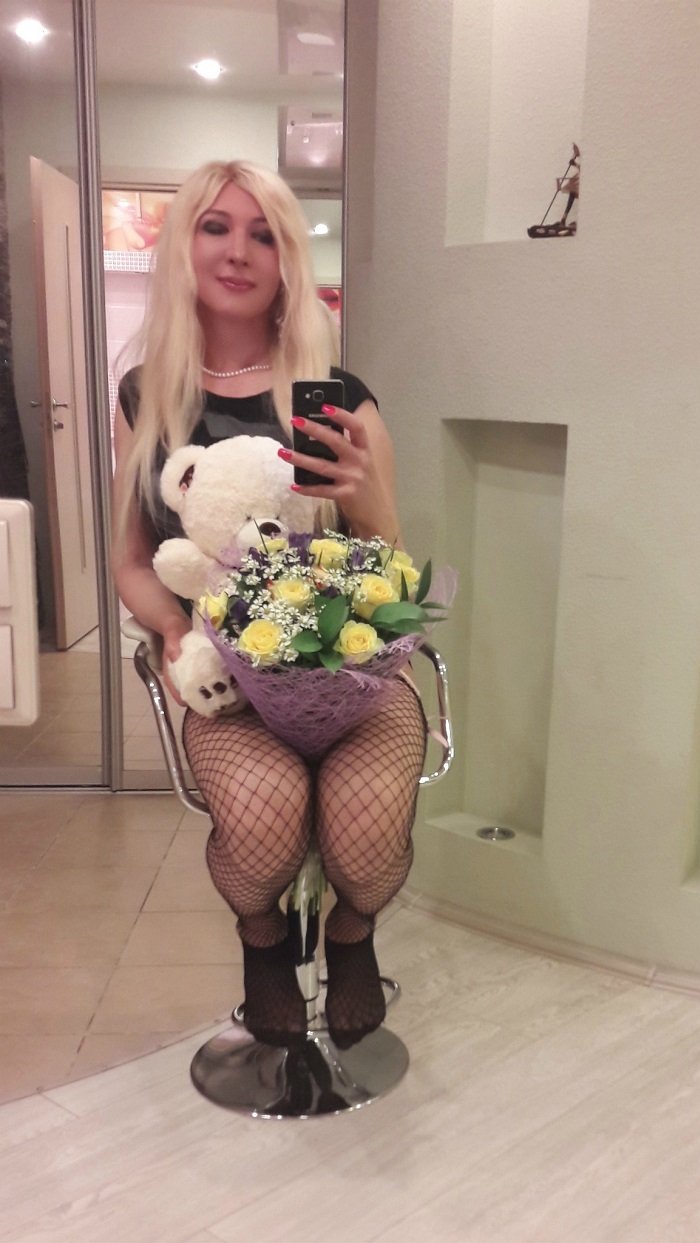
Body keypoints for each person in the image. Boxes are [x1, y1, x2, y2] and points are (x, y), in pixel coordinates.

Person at [112, 159, 427, 1048]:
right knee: (261, 824)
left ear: (288, 257)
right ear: (184, 245)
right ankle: (262, 939)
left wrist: (368, 499)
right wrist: (174, 631)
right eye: (215, 227)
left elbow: (393, 566)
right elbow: (131, 561)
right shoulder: (149, 397)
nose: (238, 252)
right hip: (233, 676)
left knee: (365, 835)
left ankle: (352, 932)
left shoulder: (340, 394)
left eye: (263, 234)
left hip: (351, 670)